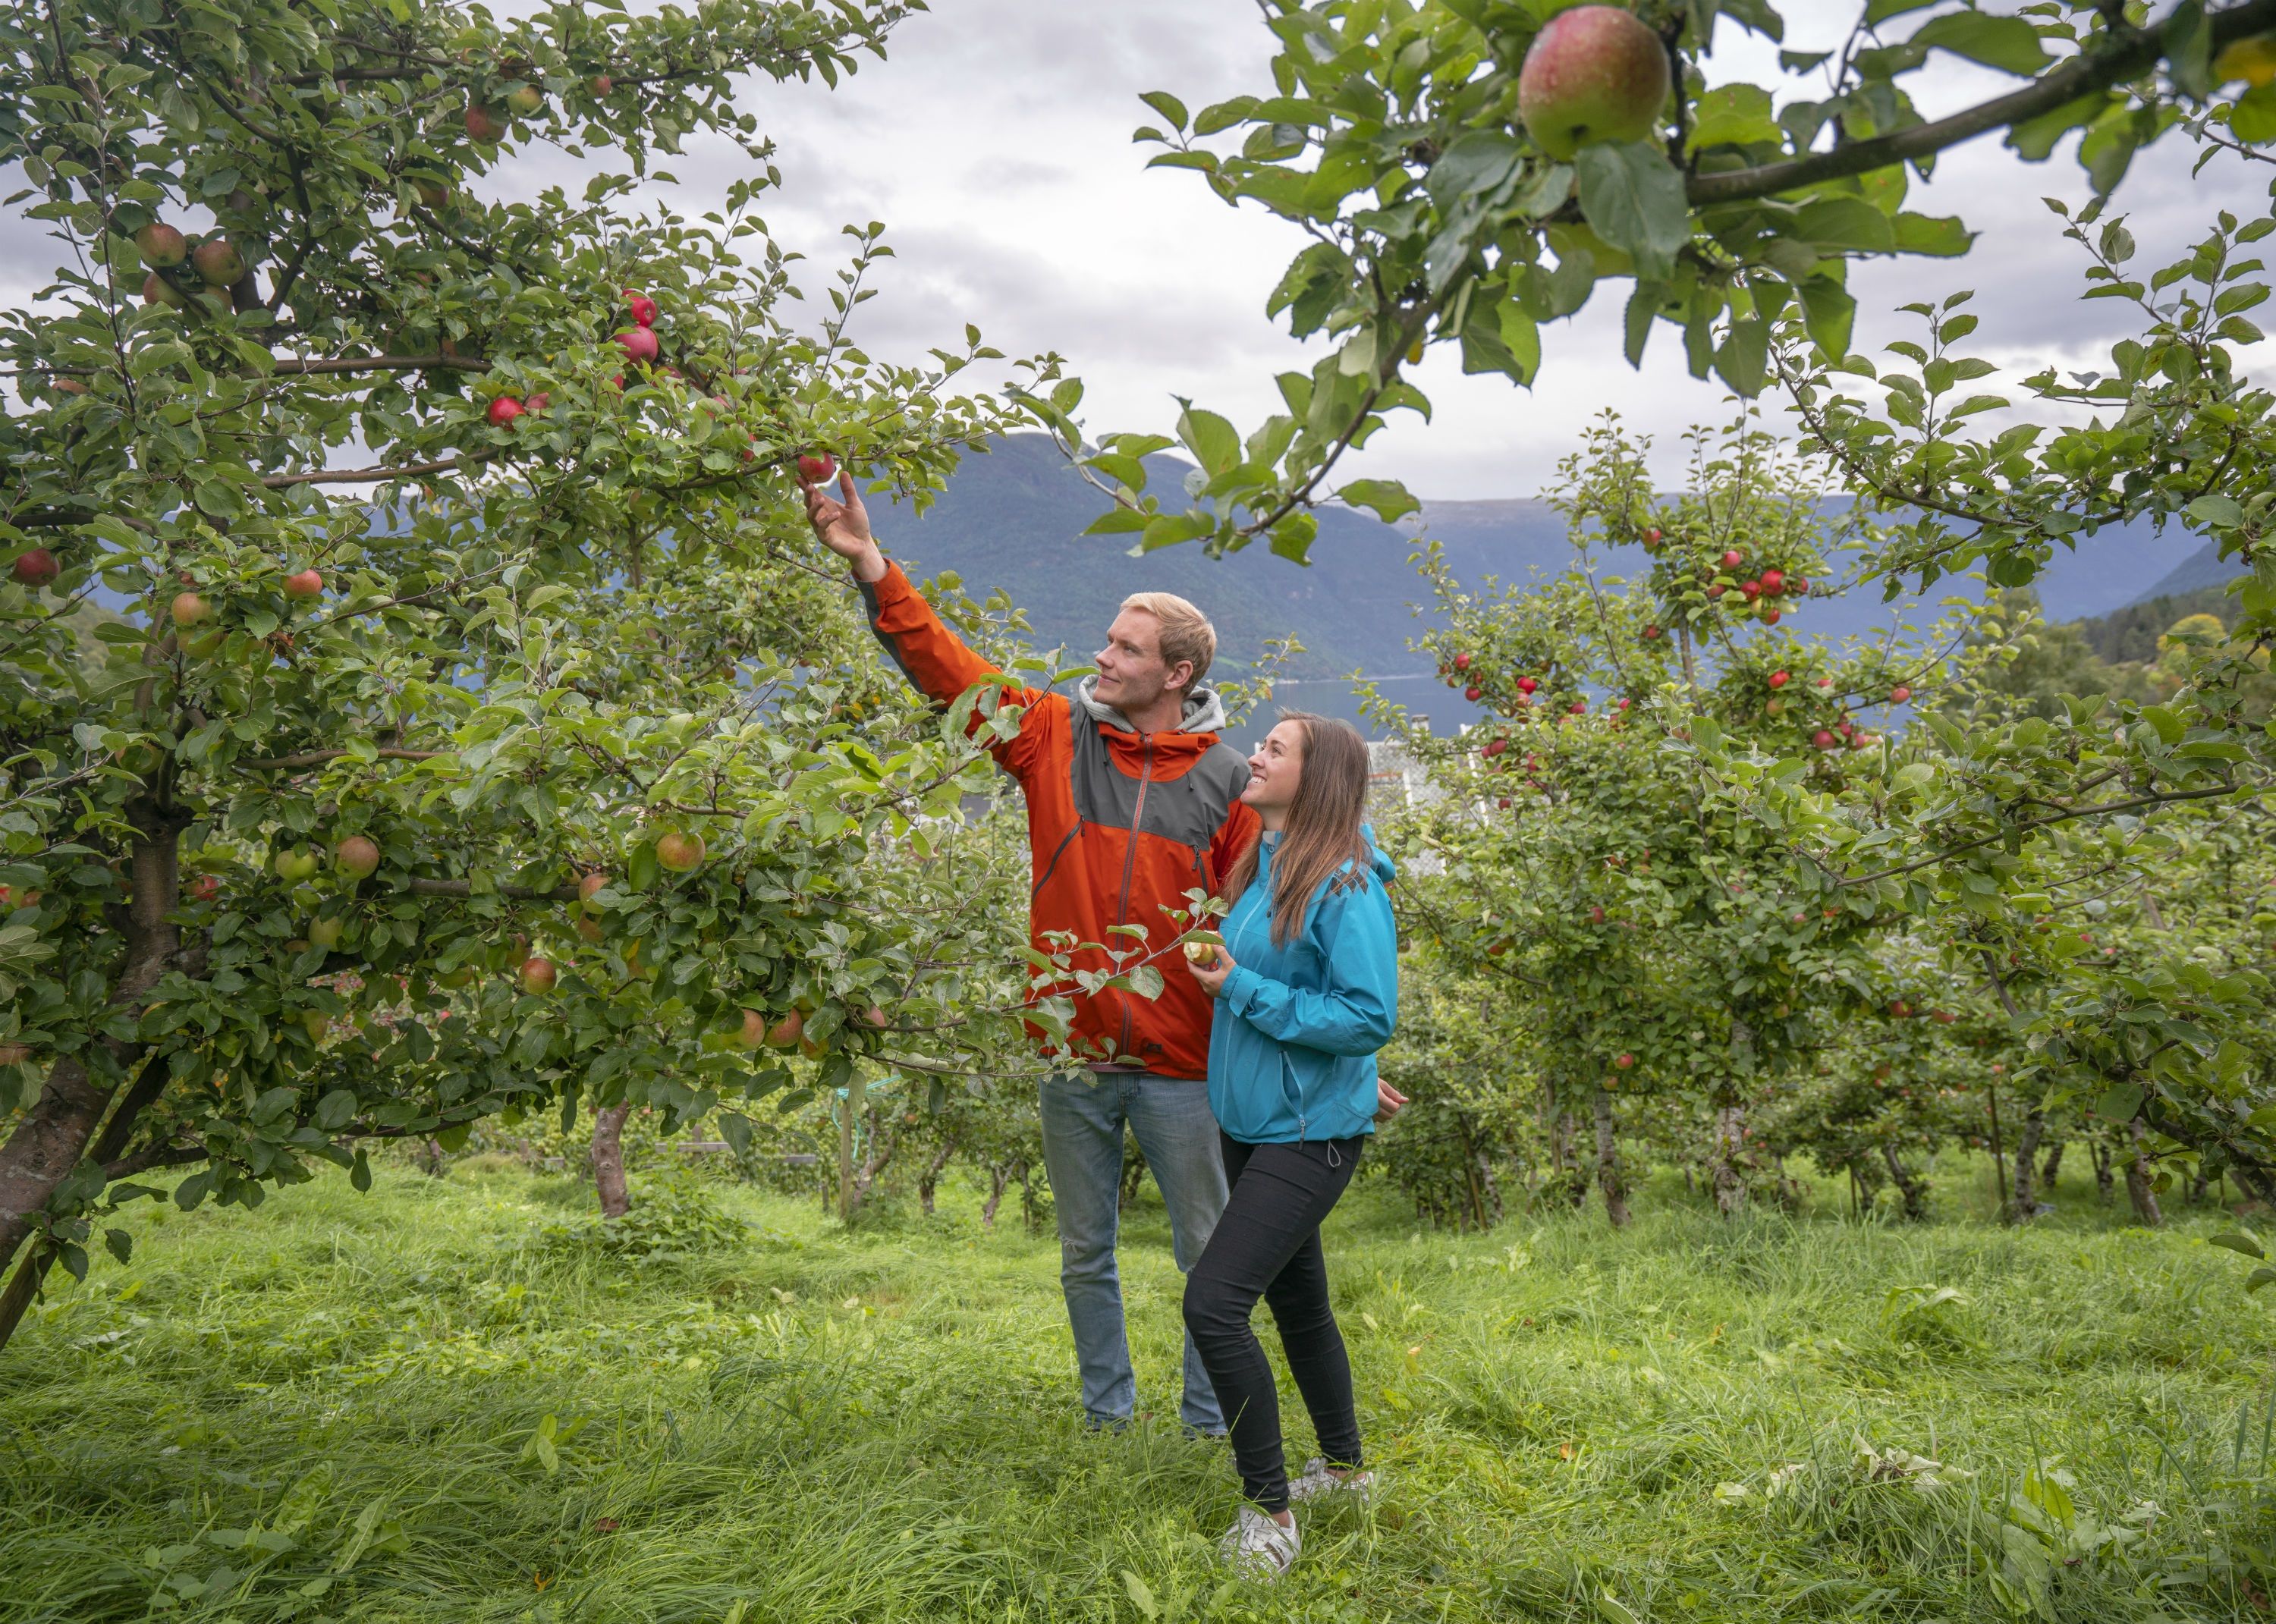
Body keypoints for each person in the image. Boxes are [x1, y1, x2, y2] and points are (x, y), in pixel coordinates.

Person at [802, 465, 1257, 1437]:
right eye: (1108, 637)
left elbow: (1258, 927)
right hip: (1072, 1049)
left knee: (1208, 1257)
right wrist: (871, 565)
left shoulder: (1228, 783)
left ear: (1177, 675)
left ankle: (1208, 1427)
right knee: (1084, 1249)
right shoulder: (1052, 736)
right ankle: (1107, 1421)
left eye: (1126, 647)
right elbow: (948, 669)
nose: (1102, 655)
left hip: (1184, 1062)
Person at [1182, 711, 1402, 1578]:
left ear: (1316, 778)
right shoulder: (1265, 865)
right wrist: (1233, 983)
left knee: (1214, 1303)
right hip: (1257, 1121)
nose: (1257, 755)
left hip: (1308, 1134)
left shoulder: (1345, 884)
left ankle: (1269, 1512)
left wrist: (1240, 987)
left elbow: (1366, 1014)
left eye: (1276, 748)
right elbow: (1304, 1000)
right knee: (1299, 1303)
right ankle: (1344, 1469)